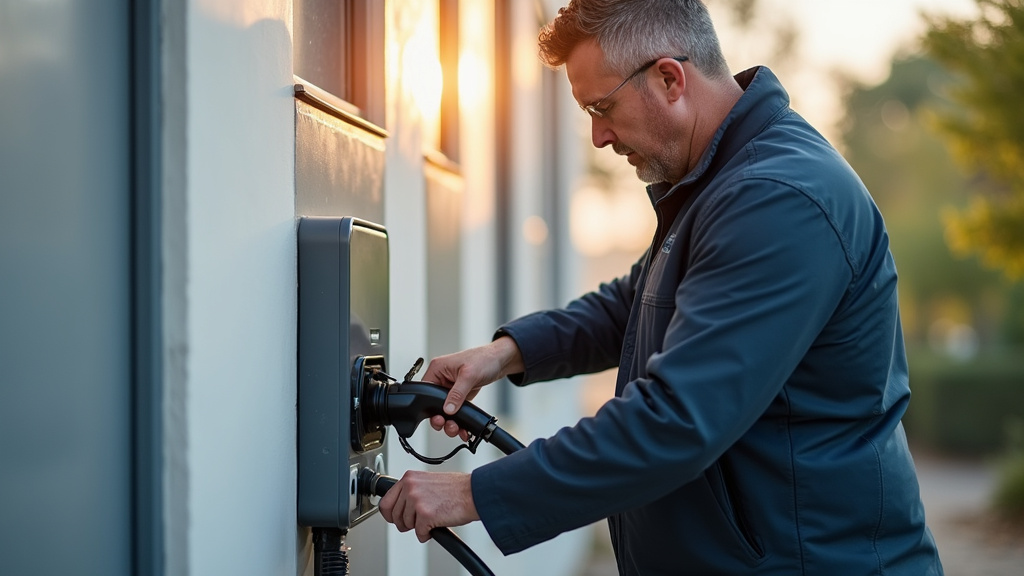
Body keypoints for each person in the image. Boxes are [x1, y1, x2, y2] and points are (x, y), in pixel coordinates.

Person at [379, 0, 944, 573]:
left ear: (669, 79)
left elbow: (675, 420)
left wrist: (476, 493)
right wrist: (505, 353)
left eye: (602, 107)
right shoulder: (720, 185)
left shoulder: (777, 199)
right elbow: (636, 302)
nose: (598, 137)